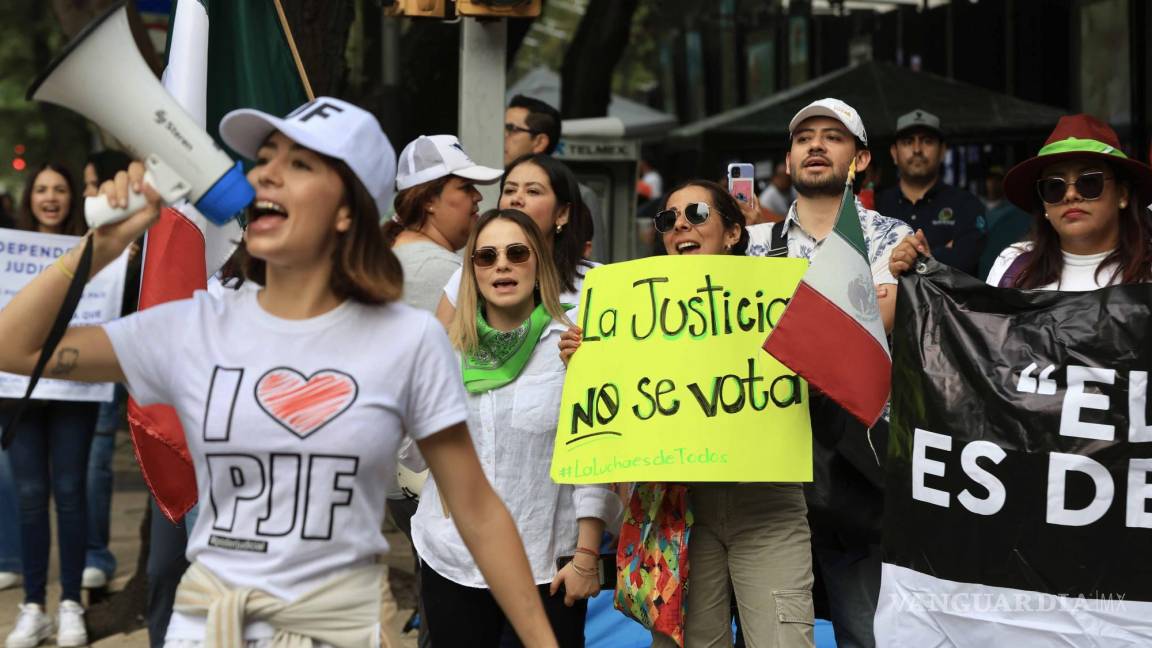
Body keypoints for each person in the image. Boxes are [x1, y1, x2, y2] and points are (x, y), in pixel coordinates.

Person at [0, 97, 561, 647]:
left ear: (348, 210)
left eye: (298, 164)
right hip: (210, 625)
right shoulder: (198, 326)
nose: (265, 174)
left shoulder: (408, 341)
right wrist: (105, 243)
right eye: (265, 158)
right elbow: (13, 348)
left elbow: (476, 509)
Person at [564, 179, 815, 647]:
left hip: (767, 500)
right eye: (668, 218)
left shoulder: (777, 302)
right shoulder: (634, 311)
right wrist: (587, 360)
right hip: (679, 505)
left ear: (734, 234)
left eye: (697, 214)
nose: (681, 223)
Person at [745, 99, 913, 648]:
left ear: (860, 159)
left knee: (865, 634)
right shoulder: (747, 246)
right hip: (767, 470)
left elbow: (881, 317)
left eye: (833, 137)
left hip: (858, 474)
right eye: (804, 138)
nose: (815, 146)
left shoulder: (894, 239)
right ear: (788, 159)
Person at [413, 208, 619, 647]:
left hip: (547, 566)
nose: (501, 264)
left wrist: (586, 556)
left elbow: (593, 456)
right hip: (453, 562)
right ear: (472, 272)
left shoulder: (573, 345)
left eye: (516, 252)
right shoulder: (441, 351)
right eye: (486, 256)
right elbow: (414, 456)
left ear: (539, 264)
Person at [383, 133, 501, 647]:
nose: (479, 201)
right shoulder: (450, 275)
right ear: (429, 198)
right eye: (464, 188)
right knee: (451, 617)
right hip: (432, 469)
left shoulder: (379, 260)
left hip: (391, 470)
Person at [891, 113, 1152, 292]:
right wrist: (927, 272)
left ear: (1122, 195)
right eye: (1054, 187)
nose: (1071, 195)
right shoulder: (1013, 266)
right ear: (1045, 206)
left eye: (1089, 182)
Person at [1, 162, 96, 648]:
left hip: (76, 389)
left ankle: (72, 604)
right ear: (29, 198)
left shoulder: (96, 249)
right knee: (32, 496)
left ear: (72, 197)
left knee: (70, 492)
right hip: (18, 392)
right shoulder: (6, 251)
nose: (51, 197)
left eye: (60, 189)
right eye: (42, 189)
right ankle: (34, 607)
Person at [436, 154, 595, 325]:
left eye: (533, 191)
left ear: (562, 214)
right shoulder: (470, 274)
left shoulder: (596, 280)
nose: (516, 200)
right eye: (509, 190)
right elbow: (439, 345)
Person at [79, 149, 135, 592]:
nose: (86, 194)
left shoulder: (144, 236)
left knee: (97, 461)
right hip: (89, 367)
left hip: (125, 366)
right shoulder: (85, 237)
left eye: (91, 183)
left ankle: (96, 555)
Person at [875, 109, 986, 276]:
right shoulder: (876, 205)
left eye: (927, 141)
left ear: (942, 152)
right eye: (908, 142)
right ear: (894, 153)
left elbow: (965, 263)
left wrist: (906, 260)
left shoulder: (967, 204)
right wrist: (937, 255)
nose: (917, 149)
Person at [504, 95, 604, 260]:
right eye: (509, 190)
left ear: (539, 142)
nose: (516, 199)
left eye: (512, 129)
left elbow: (596, 264)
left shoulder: (580, 194)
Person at [977, 165, 1032, 280]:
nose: (993, 183)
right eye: (990, 179)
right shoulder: (975, 206)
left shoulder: (1016, 211)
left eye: (998, 179)